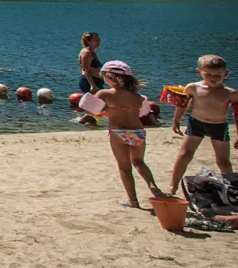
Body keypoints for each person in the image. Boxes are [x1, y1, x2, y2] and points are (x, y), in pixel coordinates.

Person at [94, 61, 163, 210]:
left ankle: (133, 200)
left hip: (119, 132)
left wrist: (106, 111)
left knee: (124, 167)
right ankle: (154, 187)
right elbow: (143, 113)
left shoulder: (104, 93)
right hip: (138, 132)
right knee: (139, 162)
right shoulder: (138, 97)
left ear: (110, 77)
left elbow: (91, 110)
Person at [169, 55, 234, 195]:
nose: (213, 77)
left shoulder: (229, 93)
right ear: (199, 72)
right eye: (208, 74)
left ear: (225, 74)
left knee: (223, 161)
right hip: (196, 123)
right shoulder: (193, 88)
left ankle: (232, 189)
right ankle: (173, 187)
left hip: (219, 126)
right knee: (184, 155)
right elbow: (182, 105)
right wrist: (176, 121)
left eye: (218, 74)